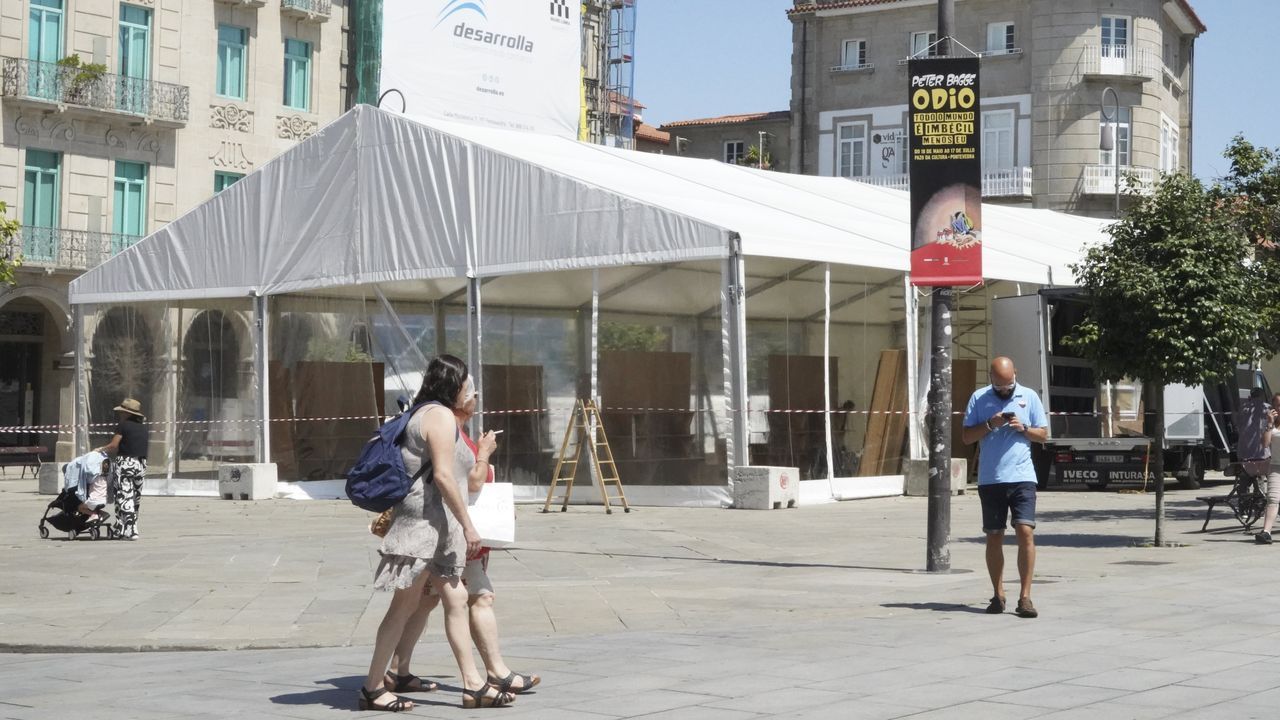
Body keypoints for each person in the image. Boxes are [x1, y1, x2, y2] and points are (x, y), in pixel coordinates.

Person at [359, 355, 516, 712]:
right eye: (466, 384)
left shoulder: (431, 414)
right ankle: (373, 686)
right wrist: (468, 524)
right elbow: (444, 476)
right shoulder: (439, 417)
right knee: (404, 607)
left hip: (437, 525)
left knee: (455, 599)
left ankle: (473, 684)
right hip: (424, 525)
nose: (470, 391)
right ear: (453, 385)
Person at [383, 375, 540, 698]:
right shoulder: (447, 429)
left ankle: (396, 671)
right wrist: (484, 452)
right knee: (478, 597)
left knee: (424, 601)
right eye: (471, 392)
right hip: (453, 532)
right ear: (457, 397)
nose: (476, 397)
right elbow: (468, 482)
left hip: (447, 529)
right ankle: (492, 676)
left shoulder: (445, 426)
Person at [962, 357, 1049, 619]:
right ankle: (998, 594)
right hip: (991, 478)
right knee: (994, 536)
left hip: (1022, 476)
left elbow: (1044, 435)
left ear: (1016, 375)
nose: (1005, 390)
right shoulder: (978, 398)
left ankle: (1025, 597)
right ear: (990, 378)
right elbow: (966, 437)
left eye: (1008, 384)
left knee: (1025, 531)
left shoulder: (1029, 396)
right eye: (999, 386)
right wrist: (990, 424)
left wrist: (1024, 429)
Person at [95, 398, 149, 540]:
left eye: (122, 412)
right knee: (135, 498)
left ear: (126, 413)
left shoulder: (123, 426)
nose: (120, 415)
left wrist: (100, 449)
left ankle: (131, 530)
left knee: (124, 496)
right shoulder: (143, 427)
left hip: (126, 463)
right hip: (141, 463)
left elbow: (114, 445)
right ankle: (121, 527)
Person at [1253, 394, 1280, 544]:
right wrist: (1270, 423)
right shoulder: (1272, 424)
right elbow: (1265, 444)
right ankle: (1266, 532)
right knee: (1273, 499)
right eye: (1277, 405)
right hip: (1276, 465)